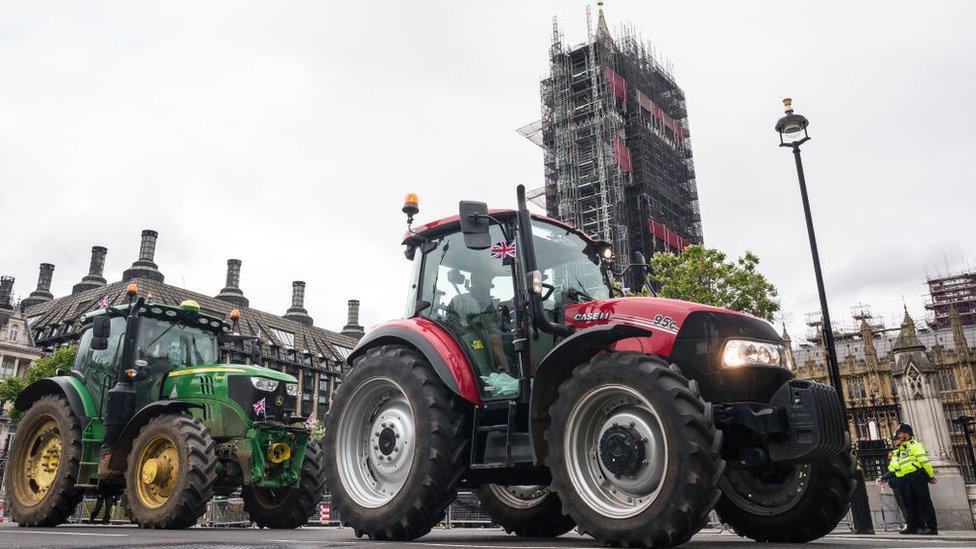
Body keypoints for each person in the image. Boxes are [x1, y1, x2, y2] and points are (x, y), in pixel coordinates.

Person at [891, 423, 938, 535]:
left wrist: (930, 476)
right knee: (909, 503)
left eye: (900, 433)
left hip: (917, 475)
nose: (899, 435)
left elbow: (924, 461)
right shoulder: (902, 448)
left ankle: (932, 528)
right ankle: (912, 527)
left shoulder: (914, 445)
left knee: (924, 502)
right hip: (906, 478)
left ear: (907, 433)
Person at [879, 435, 908, 530]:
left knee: (904, 504)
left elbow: (894, 469)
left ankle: (909, 522)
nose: (890, 457)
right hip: (897, 484)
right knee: (903, 504)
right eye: (889, 456)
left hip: (900, 484)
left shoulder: (899, 454)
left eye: (896, 440)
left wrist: (884, 476)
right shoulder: (897, 454)